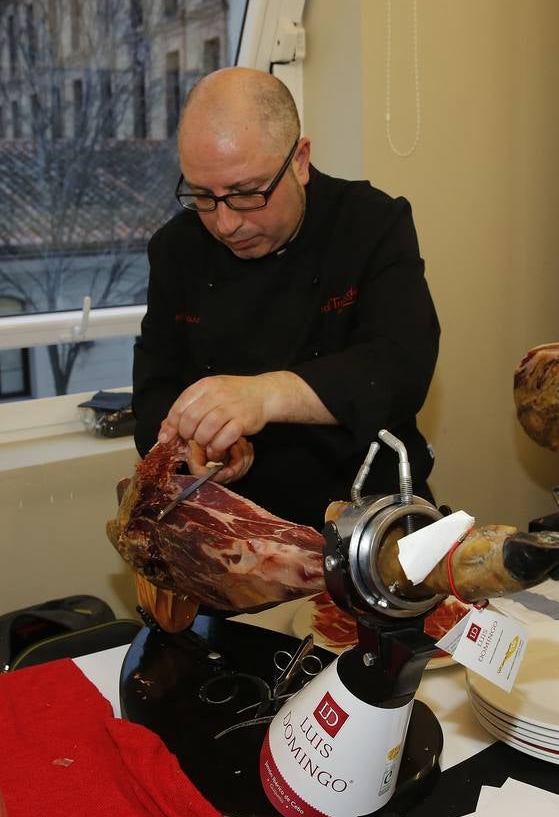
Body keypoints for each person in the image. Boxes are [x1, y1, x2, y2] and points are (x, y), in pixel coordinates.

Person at [133, 67, 440, 530]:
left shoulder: (370, 224)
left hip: (369, 520)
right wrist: (198, 444)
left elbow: (399, 367)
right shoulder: (176, 250)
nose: (225, 223)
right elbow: (154, 392)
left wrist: (264, 395)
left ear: (300, 159)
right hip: (240, 528)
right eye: (201, 195)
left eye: (245, 194)